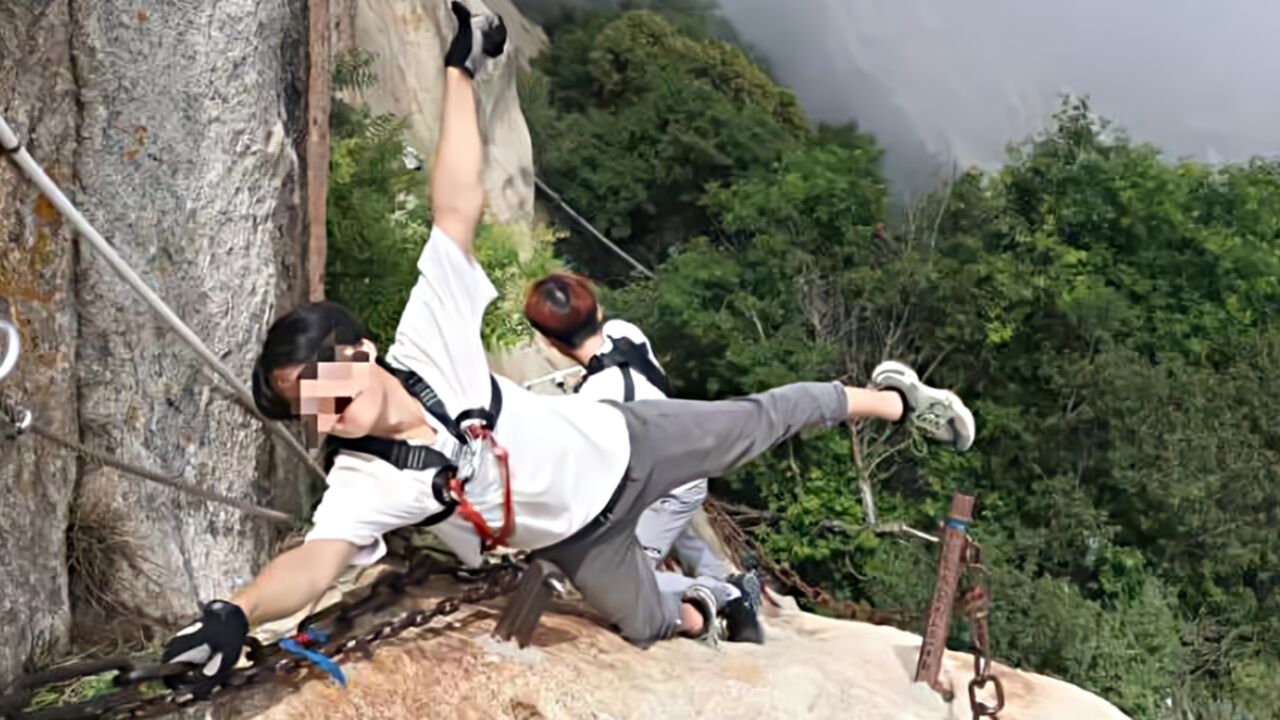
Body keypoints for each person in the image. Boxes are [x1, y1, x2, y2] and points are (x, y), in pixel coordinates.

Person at [161, 1, 976, 694]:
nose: (326, 416)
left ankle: (894, 399)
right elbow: (316, 561)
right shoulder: (363, 481)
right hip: (574, 537)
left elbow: (454, 208)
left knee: (757, 421)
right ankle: (713, 603)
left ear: (361, 349)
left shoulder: (428, 339)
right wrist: (237, 609)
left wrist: (460, 74)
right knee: (650, 623)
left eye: (324, 386)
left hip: (627, 442)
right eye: (310, 412)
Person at [523, 273, 763, 644]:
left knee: (629, 581)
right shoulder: (625, 332)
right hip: (682, 458)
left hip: (667, 484)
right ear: (597, 309)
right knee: (668, 521)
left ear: (549, 341)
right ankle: (722, 574)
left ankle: (729, 594)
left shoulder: (595, 403)